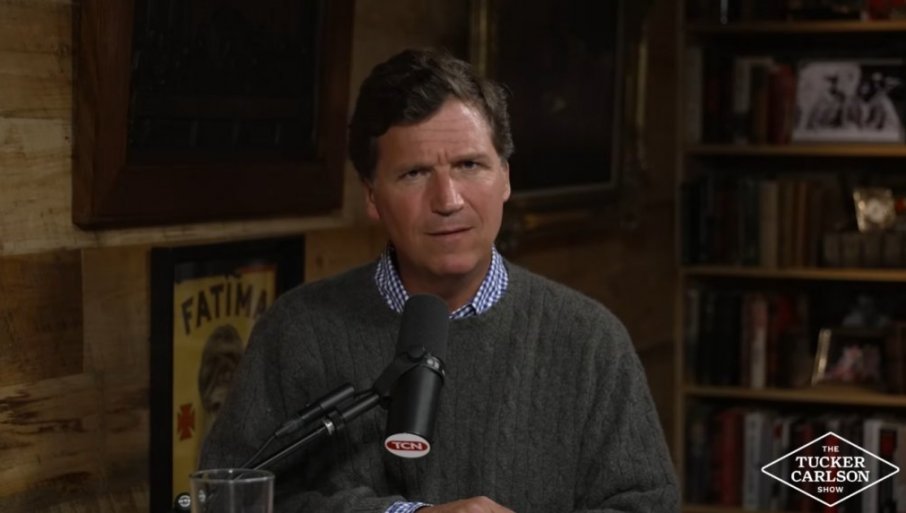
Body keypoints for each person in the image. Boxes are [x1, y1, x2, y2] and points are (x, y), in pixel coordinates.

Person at [200, 47, 679, 513]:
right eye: (414, 173)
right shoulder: (297, 331)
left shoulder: (590, 341)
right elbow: (228, 495)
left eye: (469, 165)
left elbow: (646, 504)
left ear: (506, 177)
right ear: (371, 196)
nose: (448, 200)